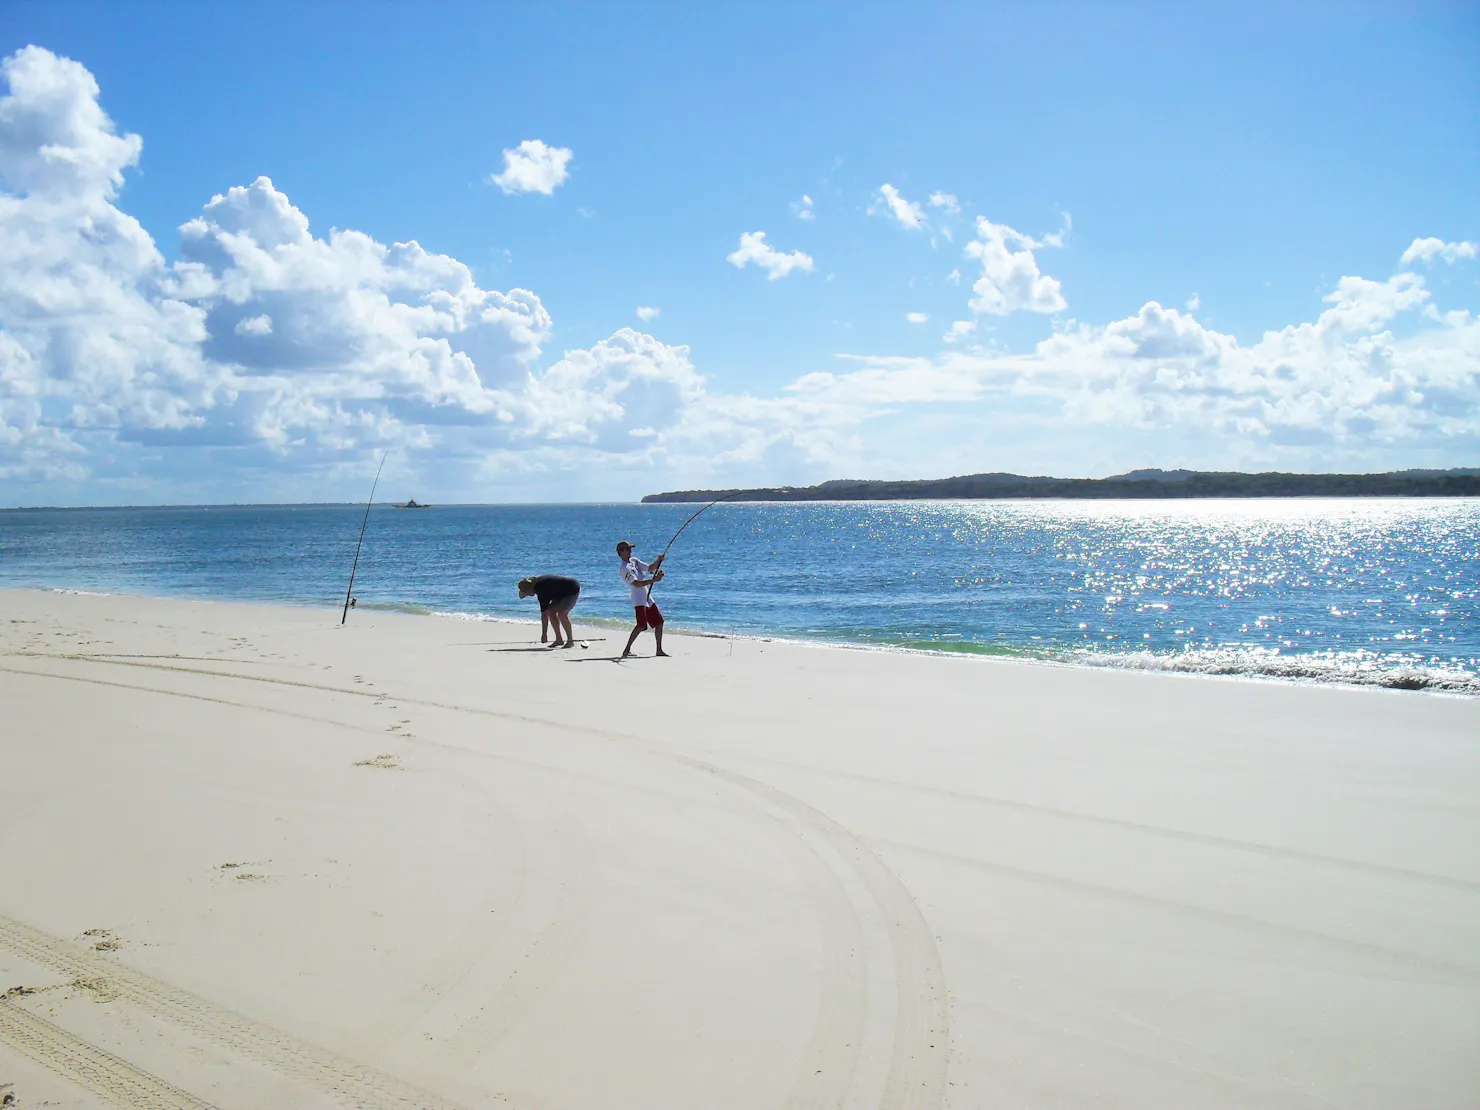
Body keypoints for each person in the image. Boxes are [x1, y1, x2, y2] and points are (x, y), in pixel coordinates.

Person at [616, 541, 667, 658]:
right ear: (620, 552)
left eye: (630, 549)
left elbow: (649, 568)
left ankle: (659, 650)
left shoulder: (634, 561)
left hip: (646, 595)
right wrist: (654, 580)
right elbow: (636, 583)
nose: (630, 551)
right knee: (641, 625)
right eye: (627, 549)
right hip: (638, 598)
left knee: (659, 622)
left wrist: (658, 561)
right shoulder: (623, 569)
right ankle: (626, 650)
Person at [517, 574, 581, 648]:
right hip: (558, 592)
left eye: (527, 593)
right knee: (551, 611)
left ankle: (570, 641)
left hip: (571, 588)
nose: (529, 595)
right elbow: (546, 611)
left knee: (562, 614)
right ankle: (559, 639)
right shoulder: (536, 583)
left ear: (530, 588)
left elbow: (544, 615)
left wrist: (544, 634)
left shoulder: (541, 589)